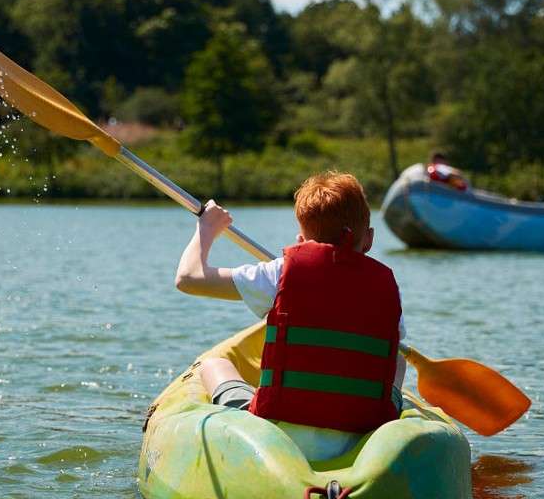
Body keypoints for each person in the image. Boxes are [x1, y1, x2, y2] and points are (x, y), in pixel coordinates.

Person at [173, 171, 405, 433]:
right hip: (363, 423)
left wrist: (206, 229)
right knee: (398, 360)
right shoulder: (387, 284)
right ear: (370, 238)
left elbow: (188, 278)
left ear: (301, 241)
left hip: (279, 420)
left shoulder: (280, 272)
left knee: (213, 364)